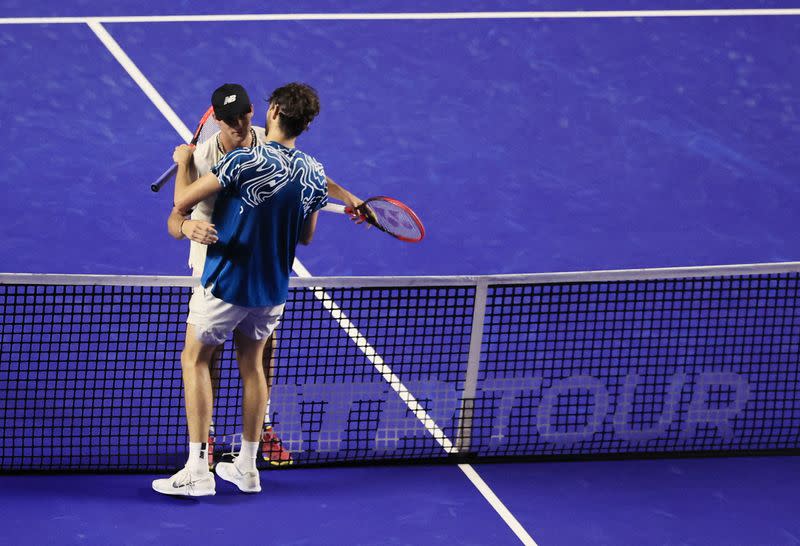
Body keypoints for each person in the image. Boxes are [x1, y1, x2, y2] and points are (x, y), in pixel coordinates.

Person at [166, 83, 363, 469]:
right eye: (230, 119)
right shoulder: (206, 157)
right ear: (216, 121)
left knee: (261, 353)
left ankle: (260, 431)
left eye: (245, 115)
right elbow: (177, 215)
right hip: (217, 260)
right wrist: (187, 186)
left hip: (264, 259)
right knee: (211, 353)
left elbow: (316, 182)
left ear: (259, 112)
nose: (239, 124)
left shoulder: (259, 142)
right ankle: (205, 439)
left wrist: (348, 196)